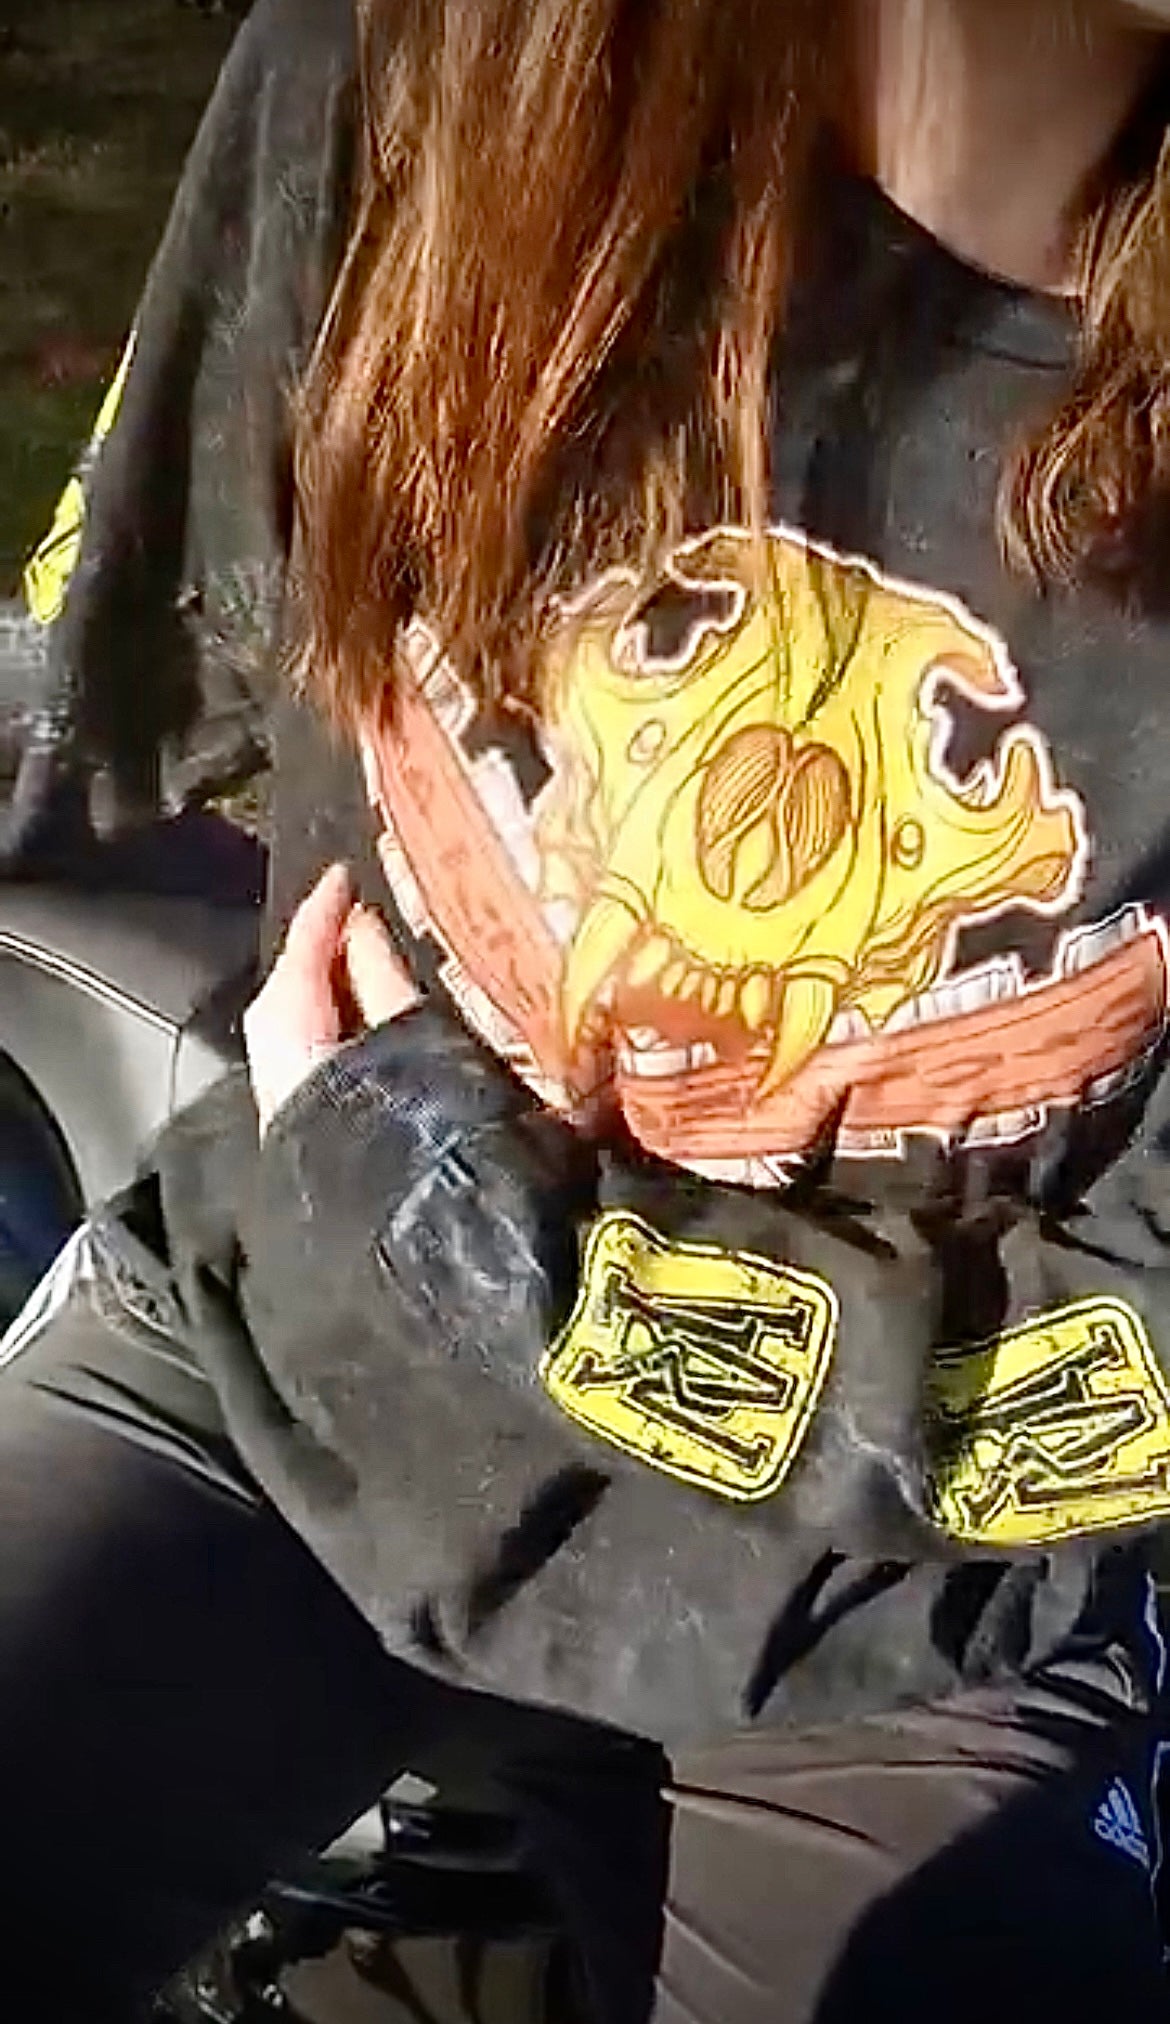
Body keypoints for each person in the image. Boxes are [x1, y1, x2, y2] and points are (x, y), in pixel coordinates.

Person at [4, 0, 1170, 2017]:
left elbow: (1124, 1384)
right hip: (281, 1371)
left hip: (900, 1625)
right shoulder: (414, 83)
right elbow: (137, 650)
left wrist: (485, 1239)